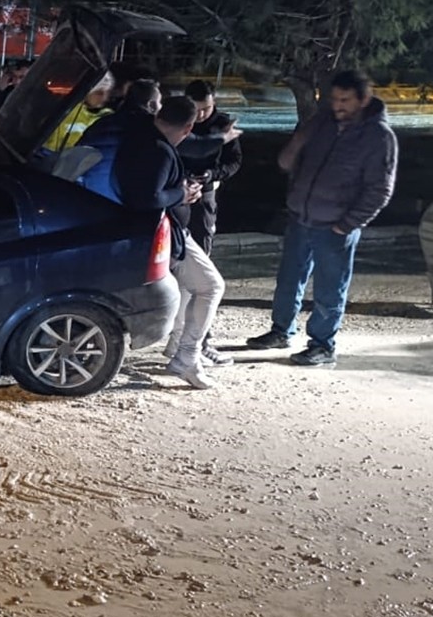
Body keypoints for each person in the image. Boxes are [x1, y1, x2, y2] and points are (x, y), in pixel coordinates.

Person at [246, 69, 398, 365]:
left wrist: (348, 223)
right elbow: (287, 162)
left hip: (336, 225)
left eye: (345, 100)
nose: (338, 105)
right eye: (334, 99)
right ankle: (281, 330)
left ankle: (323, 345)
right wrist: (299, 140)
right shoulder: (323, 122)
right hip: (302, 216)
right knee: (289, 279)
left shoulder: (379, 137)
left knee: (330, 287)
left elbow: (380, 189)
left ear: (364, 100)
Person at [113, 94, 227, 389]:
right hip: (165, 233)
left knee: (194, 287)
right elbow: (147, 198)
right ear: (188, 128)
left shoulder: (141, 137)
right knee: (212, 286)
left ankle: (179, 347)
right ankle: (187, 356)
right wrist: (183, 194)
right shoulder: (160, 150)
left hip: (158, 232)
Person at [170, 79, 244, 366]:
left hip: (205, 197)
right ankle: (179, 340)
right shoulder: (179, 119)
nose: (201, 116)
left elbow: (234, 161)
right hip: (176, 196)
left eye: (206, 109)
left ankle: (202, 341)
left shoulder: (223, 124)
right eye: (196, 110)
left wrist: (212, 175)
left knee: (203, 270)